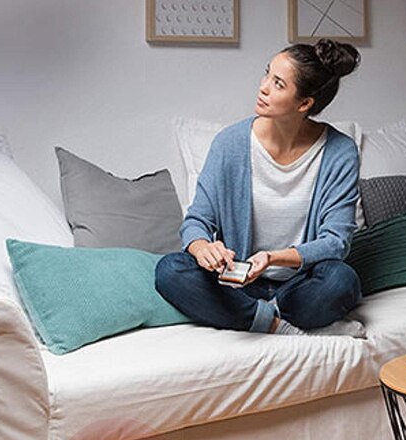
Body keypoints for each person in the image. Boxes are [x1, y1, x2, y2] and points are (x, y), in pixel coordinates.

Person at [155, 39, 363, 336]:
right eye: (267, 74)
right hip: (237, 282)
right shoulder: (230, 143)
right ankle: (278, 325)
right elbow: (197, 220)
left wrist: (271, 258)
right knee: (170, 271)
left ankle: (257, 315)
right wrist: (203, 248)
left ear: (304, 104)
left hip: (299, 285)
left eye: (278, 84)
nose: (263, 87)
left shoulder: (339, 152)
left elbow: (336, 241)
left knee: (341, 281)